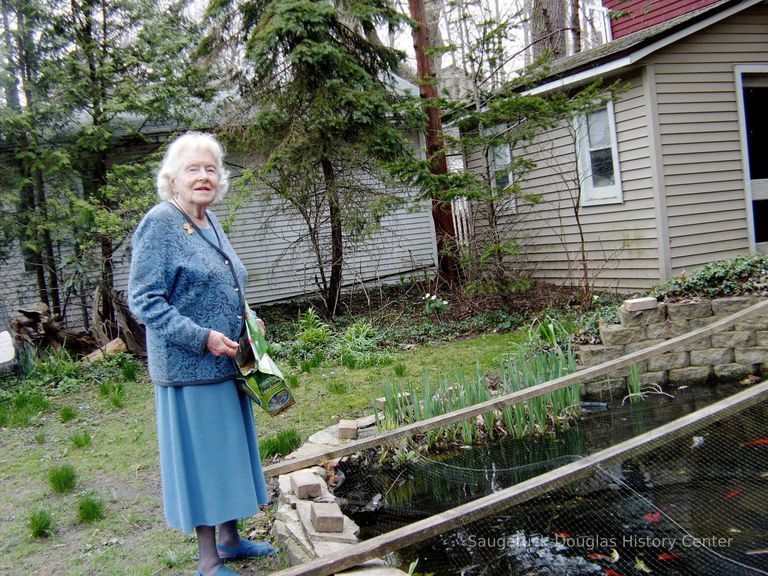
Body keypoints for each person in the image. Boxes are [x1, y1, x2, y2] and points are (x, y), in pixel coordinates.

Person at [128, 132, 277, 576]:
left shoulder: (209, 221)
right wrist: (202, 338)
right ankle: (208, 560)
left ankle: (231, 542)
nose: (203, 176)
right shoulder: (160, 223)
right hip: (190, 368)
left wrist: (248, 314)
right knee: (202, 460)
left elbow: (227, 282)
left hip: (228, 362)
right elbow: (145, 299)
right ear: (172, 178)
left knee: (227, 453)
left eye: (210, 169)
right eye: (193, 168)